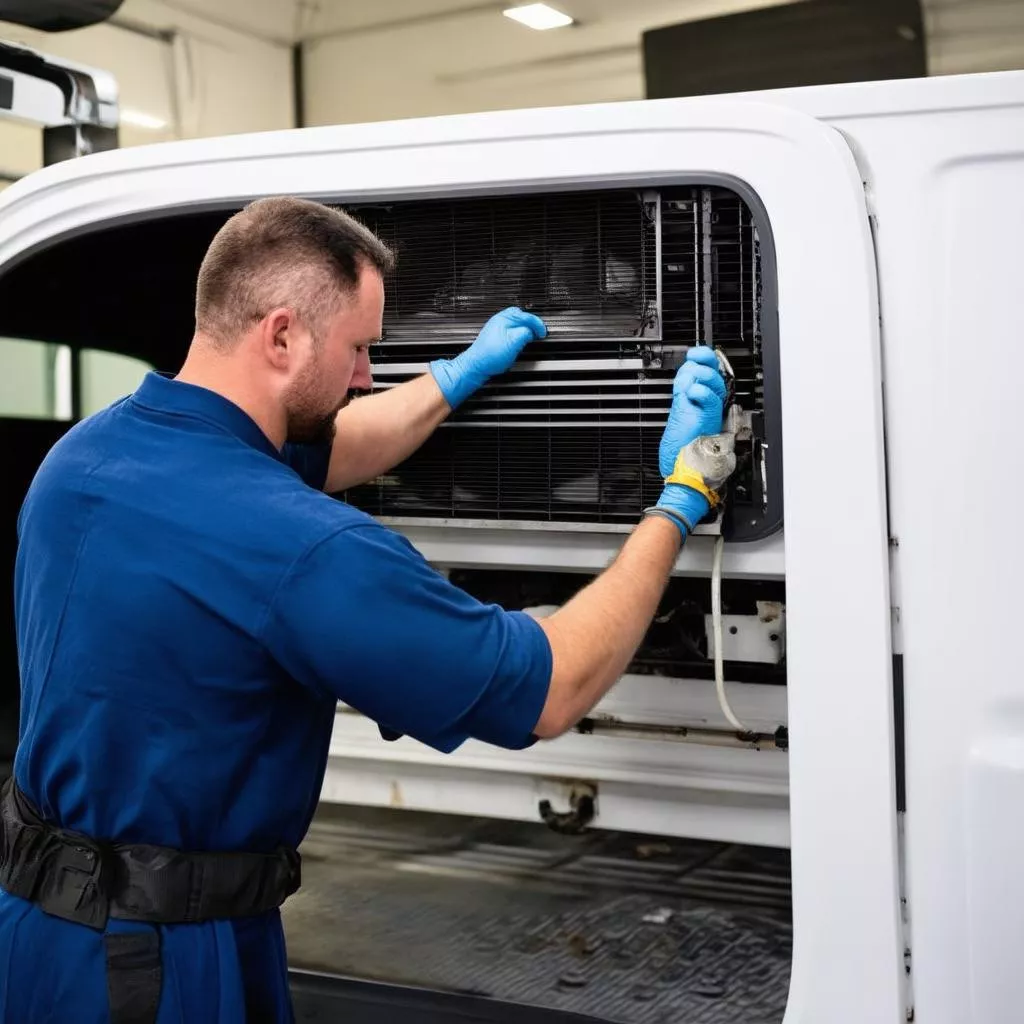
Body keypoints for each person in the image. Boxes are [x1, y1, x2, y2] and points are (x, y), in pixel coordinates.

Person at [0, 196, 733, 1023]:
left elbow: (333, 446)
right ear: (281, 336)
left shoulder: (85, 455)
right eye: (358, 348)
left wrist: (456, 378)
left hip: (33, 934)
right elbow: (554, 686)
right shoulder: (304, 548)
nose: (365, 377)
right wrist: (681, 498)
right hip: (162, 971)